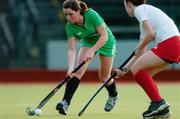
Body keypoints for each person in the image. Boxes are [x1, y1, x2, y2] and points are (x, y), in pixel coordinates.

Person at [114, 0, 180, 119]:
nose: (126, 9)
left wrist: (139, 47)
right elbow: (142, 50)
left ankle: (158, 102)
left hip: (169, 44)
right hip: (175, 45)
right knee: (143, 73)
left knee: (137, 69)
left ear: (128, 3)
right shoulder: (145, 18)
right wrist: (125, 69)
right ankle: (161, 109)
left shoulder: (140, 9)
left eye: (125, 5)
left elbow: (150, 34)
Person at [56, 0, 119, 115]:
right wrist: (70, 68)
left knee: (104, 78)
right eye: (66, 15)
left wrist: (93, 50)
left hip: (106, 42)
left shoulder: (91, 15)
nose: (68, 18)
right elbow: (71, 50)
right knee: (77, 72)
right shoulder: (69, 26)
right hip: (88, 41)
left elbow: (104, 36)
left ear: (78, 11)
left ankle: (113, 95)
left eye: (71, 14)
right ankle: (65, 103)